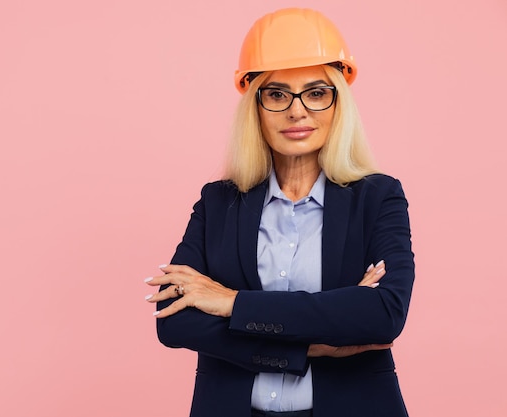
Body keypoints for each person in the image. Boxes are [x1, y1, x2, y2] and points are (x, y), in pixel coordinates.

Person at [144, 8, 414, 417]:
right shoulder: (218, 202)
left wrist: (231, 302)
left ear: (339, 103)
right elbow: (174, 320)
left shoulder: (378, 198)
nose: (297, 110)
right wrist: (306, 345)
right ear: (254, 105)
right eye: (276, 94)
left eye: (317, 92)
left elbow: (382, 314)